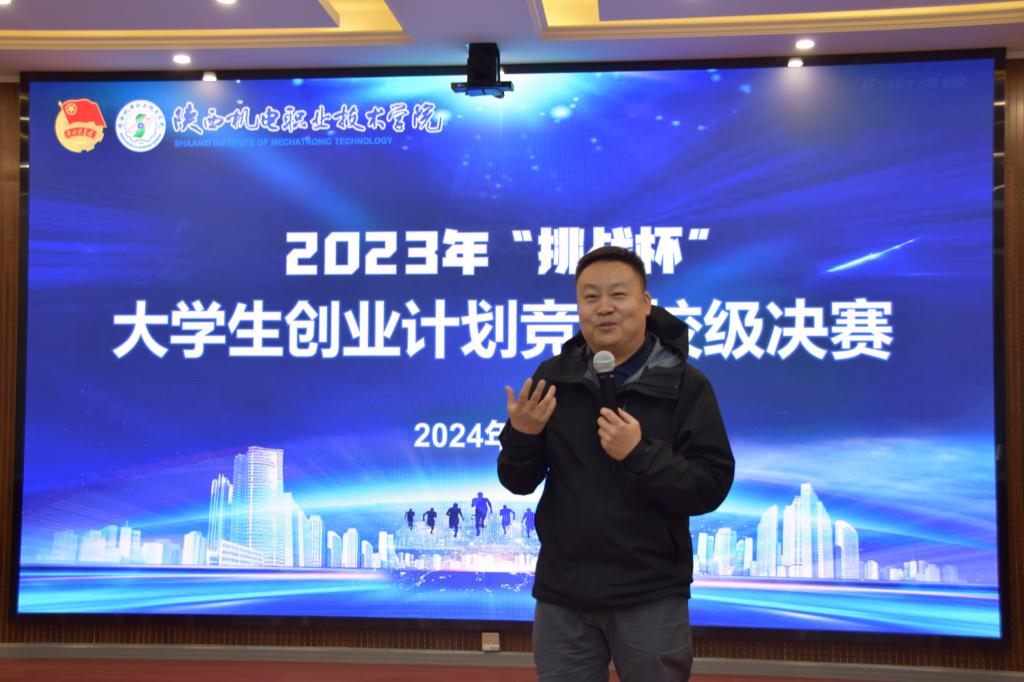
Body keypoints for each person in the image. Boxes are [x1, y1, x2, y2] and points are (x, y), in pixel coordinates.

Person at [497, 246, 734, 682]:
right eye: (591, 297)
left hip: (650, 592)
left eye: (618, 295)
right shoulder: (554, 377)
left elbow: (710, 484)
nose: (604, 307)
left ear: (645, 303)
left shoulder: (685, 384)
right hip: (564, 592)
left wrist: (639, 453)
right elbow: (518, 481)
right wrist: (522, 437)